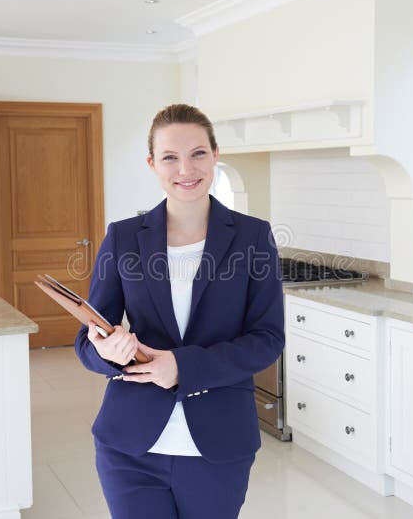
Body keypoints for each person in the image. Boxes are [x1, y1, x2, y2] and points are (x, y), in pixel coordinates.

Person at [74, 103, 285, 519]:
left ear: (215, 154)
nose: (185, 168)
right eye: (170, 156)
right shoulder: (123, 237)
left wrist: (182, 368)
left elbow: (267, 340)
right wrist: (107, 351)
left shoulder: (253, 237)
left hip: (219, 444)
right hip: (130, 445)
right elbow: (87, 339)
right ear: (152, 164)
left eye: (198, 153)